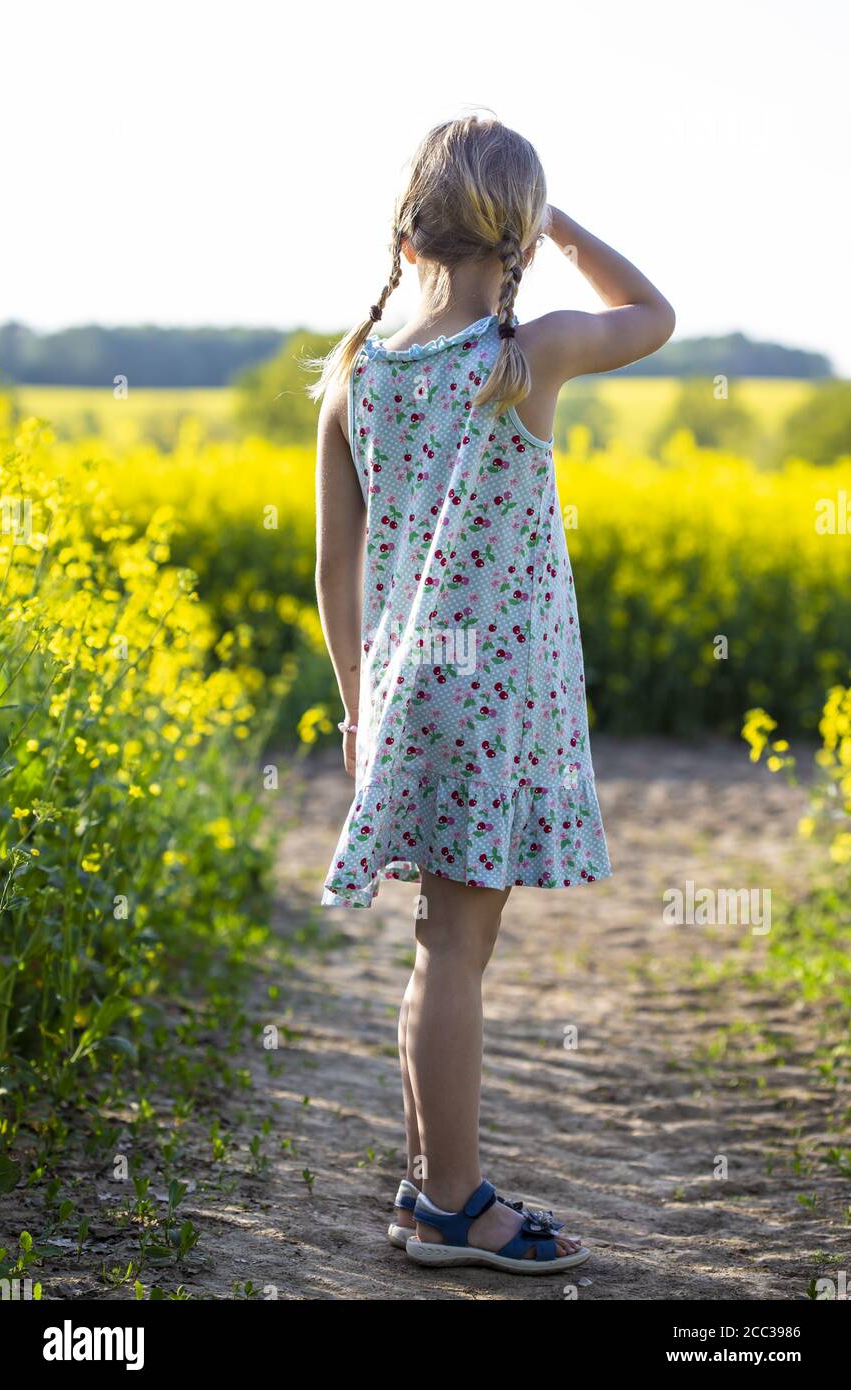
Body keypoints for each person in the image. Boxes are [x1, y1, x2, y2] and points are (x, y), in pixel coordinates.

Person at [307, 114, 675, 1274]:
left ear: (411, 223)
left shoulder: (359, 372)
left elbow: (334, 566)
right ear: (514, 231)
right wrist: (558, 225)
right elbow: (657, 317)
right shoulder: (529, 354)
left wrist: (361, 705)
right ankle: (459, 1204)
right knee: (458, 949)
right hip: (494, 701)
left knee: (437, 943)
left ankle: (431, 1191)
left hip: (411, 695)